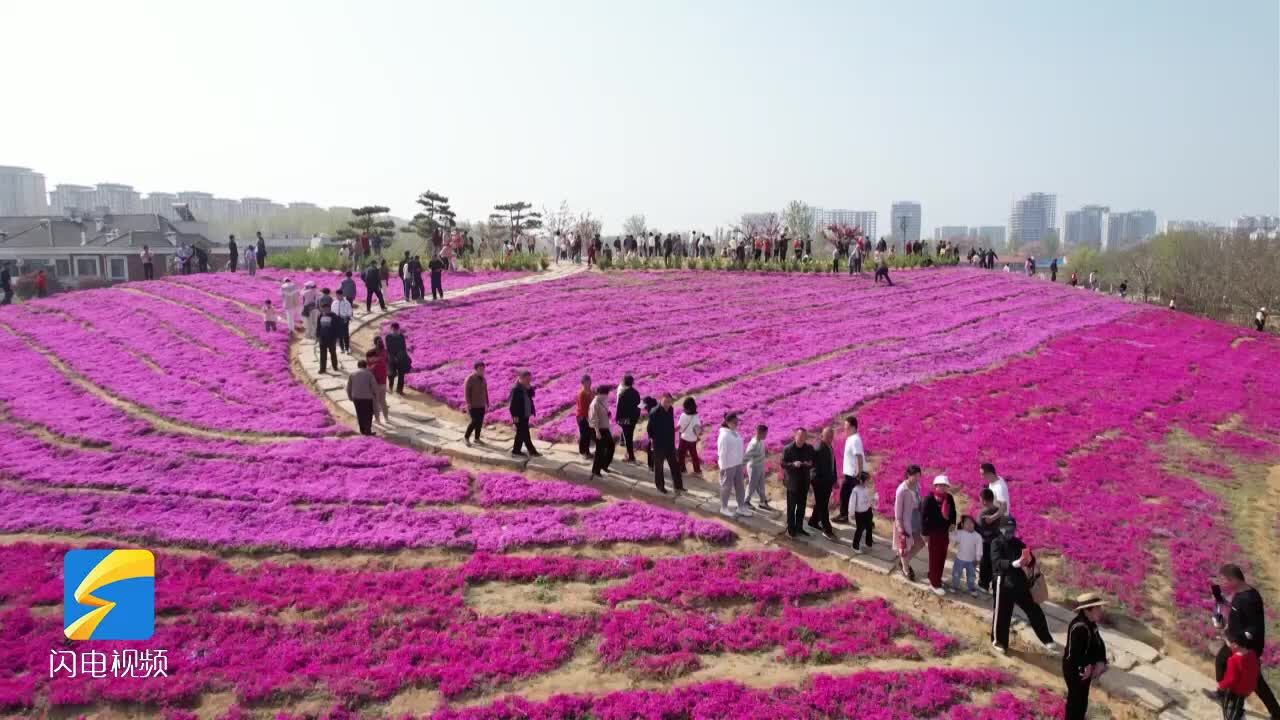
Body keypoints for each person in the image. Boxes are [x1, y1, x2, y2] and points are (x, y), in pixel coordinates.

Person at [1210, 564, 1278, 716]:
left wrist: (1238, 641)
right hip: (1235, 641)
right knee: (1221, 660)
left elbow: (1254, 628)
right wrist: (1218, 597)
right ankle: (1222, 693)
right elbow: (1235, 609)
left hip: (1247, 647)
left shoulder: (1250, 600)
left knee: (1255, 682)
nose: (1222, 584)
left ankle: (1274, 712)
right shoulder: (1239, 593)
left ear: (1234, 580)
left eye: (1224, 580)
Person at [990, 517, 1058, 654]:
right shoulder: (996, 543)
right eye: (1007, 530)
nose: (1010, 532)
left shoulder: (1018, 543)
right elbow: (996, 562)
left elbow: (1031, 560)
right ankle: (999, 641)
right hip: (1002, 582)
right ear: (1001, 529)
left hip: (1020, 583)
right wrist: (1013, 564)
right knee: (1002, 614)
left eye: (1012, 530)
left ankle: (1046, 638)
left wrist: (1029, 560)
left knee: (1034, 610)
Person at [1063, 593, 1109, 720]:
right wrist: (1086, 666)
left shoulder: (1091, 623)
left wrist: (1101, 660)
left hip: (1086, 668)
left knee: (1082, 699)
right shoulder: (1079, 627)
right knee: (1075, 701)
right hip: (1075, 670)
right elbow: (1073, 655)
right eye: (1098, 608)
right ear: (1088, 610)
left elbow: (1099, 643)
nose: (1101, 611)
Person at [921, 475, 957, 595]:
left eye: (945, 486)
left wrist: (952, 523)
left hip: (944, 532)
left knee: (942, 556)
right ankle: (934, 584)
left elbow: (953, 513)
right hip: (933, 533)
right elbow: (923, 517)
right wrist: (924, 533)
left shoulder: (949, 498)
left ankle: (936, 578)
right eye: (940, 485)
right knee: (934, 558)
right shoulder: (929, 499)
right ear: (935, 486)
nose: (942, 488)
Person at [781, 428, 816, 538]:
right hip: (792, 483)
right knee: (791, 507)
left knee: (801, 507)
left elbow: (813, 462)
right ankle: (791, 529)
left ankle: (799, 527)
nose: (801, 439)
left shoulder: (809, 448)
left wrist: (807, 464)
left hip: (804, 482)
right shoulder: (788, 449)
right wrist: (793, 464)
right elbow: (782, 464)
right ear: (795, 436)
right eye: (799, 436)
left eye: (804, 437)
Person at [891, 465, 925, 580]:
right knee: (905, 546)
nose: (917, 478)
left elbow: (918, 500)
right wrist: (900, 527)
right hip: (906, 521)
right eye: (914, 476)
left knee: (920, 543)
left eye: (918, 476)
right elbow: (898, 511)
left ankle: (903, 562)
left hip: (916, 517)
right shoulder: (902, 490)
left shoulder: (917, 486)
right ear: (908, 475)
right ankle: (905, 569)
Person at [1219, 628, 1261, 720]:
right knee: (1239, 704)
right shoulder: (1252, 654)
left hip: (1237, 690)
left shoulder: (1233, 660)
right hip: (1248, 687)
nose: (1227, 644)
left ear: (1234, 644)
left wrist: (1221, 686)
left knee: (1231, 710)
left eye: (1228, 642)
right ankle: (1240, 713)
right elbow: (1256, 669)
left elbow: (1231, 679)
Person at [716, 413, 751, 518]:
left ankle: (741, 507)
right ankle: (724, 507)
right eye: (734, 422)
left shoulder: (734, 433)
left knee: (740, 486)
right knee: (726, 487)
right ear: (727, 422)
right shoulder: (724, 435)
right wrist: (723, 468)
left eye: (737, 422)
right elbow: (722, 452)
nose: (737, 424)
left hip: (737, 464)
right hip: (728, 465)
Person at [648, 393, 683, 494]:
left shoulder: (671, 409)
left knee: (675, 465)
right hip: (659, 444)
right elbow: (649, 429)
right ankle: (660, 486)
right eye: (665, 401)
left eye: (669, 402)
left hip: (669, 443)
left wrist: (673, 430)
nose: (667, 404)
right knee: (659, 466)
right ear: (660, 400)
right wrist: (652, 441)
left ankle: (678, 486)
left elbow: (670, 423)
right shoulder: (654, 412)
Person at [808, 426, 837, 539]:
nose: (830, 438)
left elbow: (832, 463)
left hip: (828, 481)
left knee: (821, 503)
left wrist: (834, 479)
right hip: (819, 481)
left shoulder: (829, 446)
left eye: (832, 436)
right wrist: (818, 480)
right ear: (822, 436)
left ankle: (813, 521)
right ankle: (827, 529)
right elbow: (813, 467)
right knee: (823, 505)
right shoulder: (819, 447)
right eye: (828, 436)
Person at [835, 416, 866, 524]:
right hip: (850, 474)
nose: (845, 430)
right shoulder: (851, 438)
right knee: (847, 495)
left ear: (853, 427)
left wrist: (859, 473)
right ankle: (846, 515)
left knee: (847, 495)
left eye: (847, 427)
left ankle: (845, 516)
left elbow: (859, 456)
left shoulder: (855, 440)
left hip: (853, 475)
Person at [976, 488, 1002, 593]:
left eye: (980, 499)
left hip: (985, 542)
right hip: (995, 540)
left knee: (984, 563)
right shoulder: (998, 510)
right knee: (992, 563)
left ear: (984, 500)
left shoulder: (984, 513)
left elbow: (978, 528)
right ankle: (990, 583)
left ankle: (983, 585)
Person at [509, 370, 540, 457]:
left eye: (530, 379)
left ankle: (530, 451)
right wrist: (514, 417)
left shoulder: (525, 386)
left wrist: (529, 388)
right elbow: (512, 405)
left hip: (525, 414)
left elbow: (532, 395)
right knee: (521, 433)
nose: (529, 381)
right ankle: (517, 451)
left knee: (524, 433)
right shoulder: (515, 389)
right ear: (521, 378)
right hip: (519, 416)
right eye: (527, 379)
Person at [951, 516, 983, 596]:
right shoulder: (960, 533)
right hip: (959, 559)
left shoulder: (977, 536)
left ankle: (971, 588)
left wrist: (978, 559)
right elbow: (953, 537)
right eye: (967, 523)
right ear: (962, 525)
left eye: (971, 523)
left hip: (971, 561)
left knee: (971, 576)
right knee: (956, 574)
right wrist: (951, 531)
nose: (969, 525)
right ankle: (955, 586)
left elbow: (979, 548)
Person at [588, 385, 614, 479]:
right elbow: (593, 419)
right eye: (605, 394)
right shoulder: (594, 404)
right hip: (597, 429)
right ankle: (596, 470)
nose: (607, 396)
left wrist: (608, 413)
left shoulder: (603, 400)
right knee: (600, 451)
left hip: (605, 428)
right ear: (600, 394)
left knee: (611, 446)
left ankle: (604, 465)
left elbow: (604, 410)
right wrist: (597, 432)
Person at [345, 360, 377, 436]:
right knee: (368, 414)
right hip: (367, 397)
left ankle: (362, 430)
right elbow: (374, 386)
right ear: (366, 366)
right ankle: (368, 430)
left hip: (356, 397)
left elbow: (348, 387)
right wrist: (375, 395)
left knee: (360, 414)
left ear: (358, 366)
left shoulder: (352, 374)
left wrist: (350, 396)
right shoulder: (369, 374)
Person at [744, 424, 771, 510]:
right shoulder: (754, 443)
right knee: (752, 485)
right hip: (754, 467)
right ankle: (745, 501)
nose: (766, 435)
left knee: (761, 485)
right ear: (760, 433)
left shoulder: (761, 441)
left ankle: (763, 501)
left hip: (760, 466)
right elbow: (747, 457)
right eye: (765, 434)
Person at [615, 375, 641, 462]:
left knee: (627, 438)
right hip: (633, 419)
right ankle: (629, 454)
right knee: (630, 436)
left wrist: (618, 420)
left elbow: (619, 409)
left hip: (625, 419)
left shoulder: (622, 394)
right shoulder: (636, 393)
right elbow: (639, 407)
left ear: (623, 382)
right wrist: (636, 417)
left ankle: (631, 457)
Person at [677, 397, 703, 475]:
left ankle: (682, 470)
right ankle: (697, 471)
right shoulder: (696, 417)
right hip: (693, 440)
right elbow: (698, 429)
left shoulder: (683, 415)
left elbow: (679, 428)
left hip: (684, 438)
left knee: (681, 454)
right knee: (694, 455)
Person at [366, 345, 389, 424]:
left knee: (375, 403)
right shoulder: (382, 362)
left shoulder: (375, 365)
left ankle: (378, 420)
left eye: (369, 358)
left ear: (373, 357)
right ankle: (386, 418)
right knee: (383, 401)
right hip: (383, 384)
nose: (368, 360)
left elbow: (374, 376)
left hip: (377, 386)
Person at [384, 322, 409, 394]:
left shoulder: (401, 336)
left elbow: (404, 347)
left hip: (401, 358)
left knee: (401, 375)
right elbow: (388, 349)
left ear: (398, 329)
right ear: (391, 329)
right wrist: (393, 357)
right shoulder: (388, 337)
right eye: (393, 329)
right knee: (391, 374)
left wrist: (404, 356)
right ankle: (391, 386)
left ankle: (399, 390)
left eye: (396, 329)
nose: (395, 331)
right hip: (392, 358)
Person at [315, 306, 340, 374]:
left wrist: (336, 337)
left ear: (329, 309)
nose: (324, 311)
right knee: (323, 354)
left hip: (331, 338)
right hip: (322, 338)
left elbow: (337, 327)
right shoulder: (320, 316)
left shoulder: (334, 316)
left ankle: (335, 366)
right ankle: (322, 369)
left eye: (326, 309)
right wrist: (317, 336)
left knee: (333, 353)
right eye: (323, 310)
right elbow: (318, 326)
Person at [574, 375, 594, 458]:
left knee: (588, 434)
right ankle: (583, 452)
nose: (589, 383)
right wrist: (587, 417)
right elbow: (583, 408)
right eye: (587, 382)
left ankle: (587, 451)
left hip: (589, 416)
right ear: (583, 383)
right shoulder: (581, 393)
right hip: (582, 417)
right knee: (584, 435)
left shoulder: (591, 392)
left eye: (590, 381)